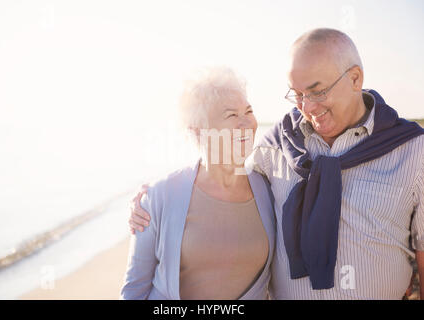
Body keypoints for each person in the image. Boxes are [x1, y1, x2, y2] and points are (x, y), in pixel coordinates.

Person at [128, 28, 424, 300]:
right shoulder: (276, 145)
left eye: (317, 91)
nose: (307, 107)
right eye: (297, 95)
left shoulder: (413, 150)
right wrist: (150, 196)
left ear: (355, 78)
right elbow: (219, 164)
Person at [121, 67, 276, 300]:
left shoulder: (269, 187)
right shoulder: (158, 196)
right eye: (231, 115)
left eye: (249, 111)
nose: (246, 124)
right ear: (199, 132)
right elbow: (134, 290)